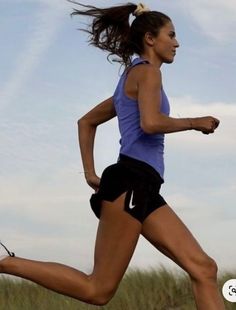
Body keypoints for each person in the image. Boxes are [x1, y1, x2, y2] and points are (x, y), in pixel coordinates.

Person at [0, 2, 225, 309]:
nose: (177, 43)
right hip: (131, 181)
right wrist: (194, 122)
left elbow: (86, 122)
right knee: (98, 290)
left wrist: (92, 174)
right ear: (150, 39)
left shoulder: (130, 80)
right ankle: (6, 264)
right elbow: (150, 123)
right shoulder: (148, 74)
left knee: (204, 268)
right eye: (171, 35)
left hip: (141, 185)